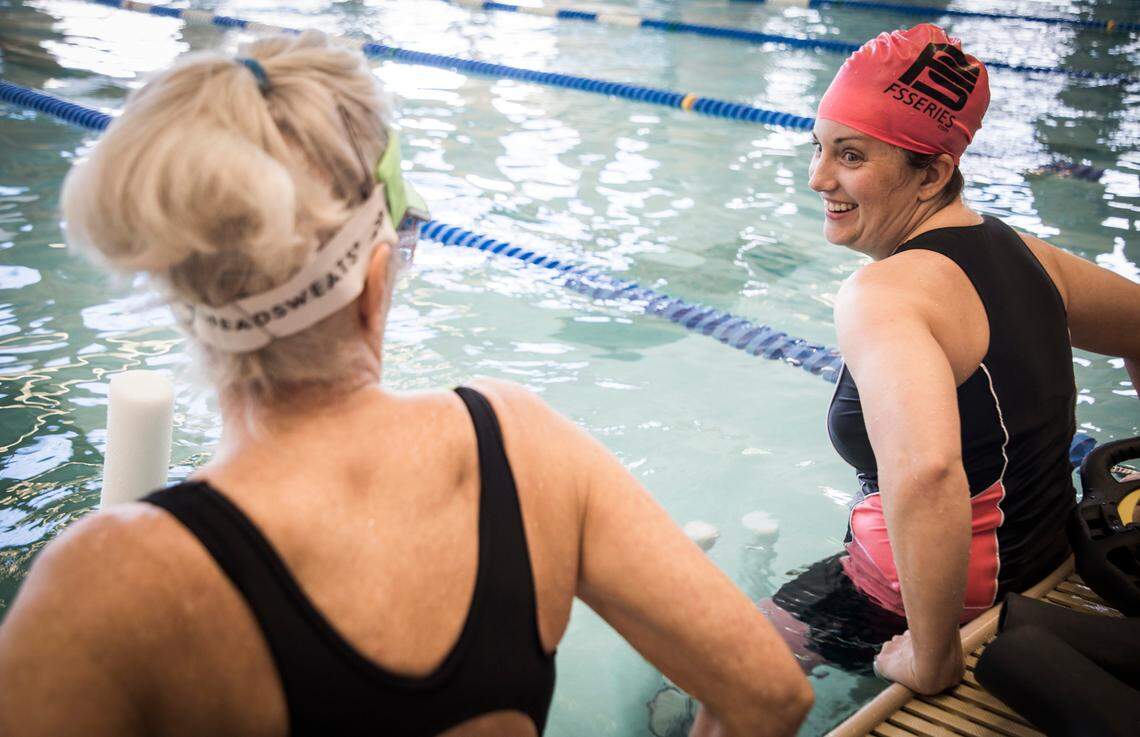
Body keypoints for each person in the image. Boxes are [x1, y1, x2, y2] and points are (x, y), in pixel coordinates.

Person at [0, 33, 812, 737]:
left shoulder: (103, 587)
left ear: (177, 292)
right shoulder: (522, 445)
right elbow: (768, 693)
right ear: (378, 274)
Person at [761, 23, 1140, 695]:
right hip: (1045, 560)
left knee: (724, 683)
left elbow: (929, 472)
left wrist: (932, 655)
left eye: (850, 156)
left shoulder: (884, 293)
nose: (819, 177)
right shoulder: (1029, 254)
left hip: (911, 602)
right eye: (818, 148)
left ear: (933, 172)